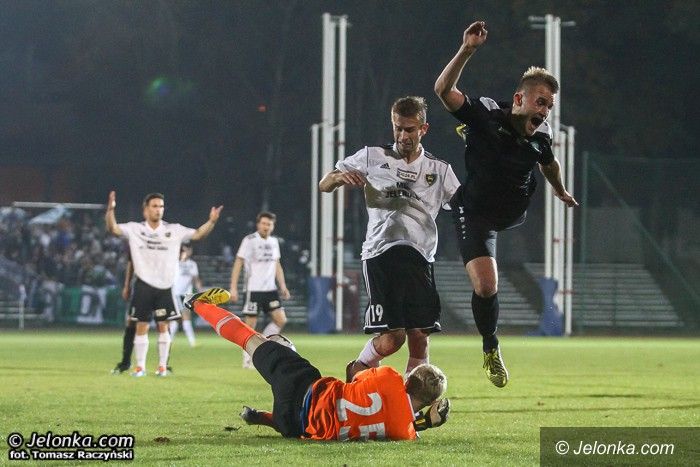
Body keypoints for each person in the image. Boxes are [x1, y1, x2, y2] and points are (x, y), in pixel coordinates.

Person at [434, 21, 578, 387]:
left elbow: (549, 163)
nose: (545, 111)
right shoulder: (487, 113)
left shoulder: (542, 135)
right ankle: (490, 347)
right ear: (518, 99)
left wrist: (560, 190)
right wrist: (467, 50)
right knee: (486, 286)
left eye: (550, 106)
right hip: (475, 211)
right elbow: (443, 91)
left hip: (512, 213)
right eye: (540, 102)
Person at [184, 287, 451, 440]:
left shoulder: (390, 379)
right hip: (296, 427)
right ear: (429, 403)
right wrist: (427, 422)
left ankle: (197, 303)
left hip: (302, 388)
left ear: (408, 380)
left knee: (255, 340)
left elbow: (354, 370)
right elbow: (407, 425)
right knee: (307, 416)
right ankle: (266, 418)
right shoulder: (405, 432)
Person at [319, 96, 460, 378]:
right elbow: (324, 184)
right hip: (381, 254)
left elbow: (464, 206)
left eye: (410, 129)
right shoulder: (372, 156)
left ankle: (412, 399)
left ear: (423, 129)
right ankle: (358, 369)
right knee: (393, 339)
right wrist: (339, 178)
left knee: (420, 336)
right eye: (398, 128)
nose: (403, 135)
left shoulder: (440, 170)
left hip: (421, 257)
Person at [105, 191, 222, 377]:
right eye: (154, 206)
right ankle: (140, 367)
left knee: (163, 326)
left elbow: (198, 234)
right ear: (145, 210)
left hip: (166, 286)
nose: (158, 209)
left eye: (161, 206)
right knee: (141, 326)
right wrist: (110, 210)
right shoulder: (135, 229)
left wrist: (212, 221)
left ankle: (161, 367)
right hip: (143, 284)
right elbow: (113, 229)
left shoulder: (174, 230)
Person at [229, 212, 290, 368]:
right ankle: (247, 358)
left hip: (270, 289)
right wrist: (233, 287)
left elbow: (277, 264)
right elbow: (238, 262)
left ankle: (262, 345)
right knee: (250, 326)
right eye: (263, 223)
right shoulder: (249, 240)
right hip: (253, 289)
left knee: (281, 320)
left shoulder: (274, 242)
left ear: (273, 226)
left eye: (269, 224)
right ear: (258, 224)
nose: (266, 227)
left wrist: (282, 285)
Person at [170, 245, 203, 348]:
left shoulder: (192, 264)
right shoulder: (175, 263)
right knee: (183, 317)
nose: (186, 252)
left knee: (179, 318)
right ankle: (192, 342)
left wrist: (201, 291)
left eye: (188, 250)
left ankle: (169, 341)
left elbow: (196, 279)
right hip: (176, 293)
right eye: (184, 250)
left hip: (187, 294)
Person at [111, 257, 135, 374]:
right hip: (140, 287)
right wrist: (127, 285)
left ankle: (163, 365)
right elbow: (131, 263)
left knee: (163, 324)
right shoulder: (137, 247)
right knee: (131, 323)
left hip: (161, 286)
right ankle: (126, 362)